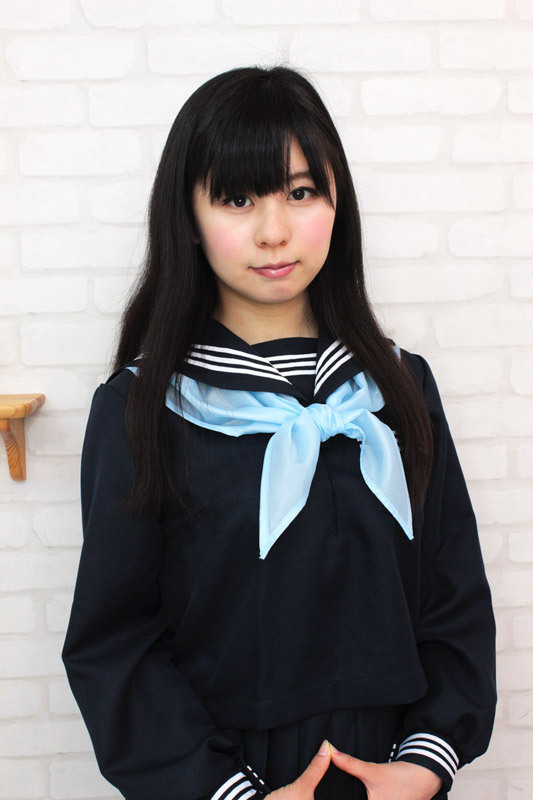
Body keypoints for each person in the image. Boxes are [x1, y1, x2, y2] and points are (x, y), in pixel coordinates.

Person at [62, 64, 497, 800]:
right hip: (229, 779)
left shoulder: (398, 387)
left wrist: (426, 764)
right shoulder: (144, 407)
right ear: (188, 217)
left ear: (336, 201)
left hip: (393, 776)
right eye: (237, 198)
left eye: (300, 193)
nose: (274, 232)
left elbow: (453, 597)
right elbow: (117, 642)